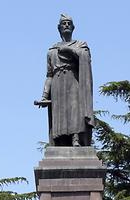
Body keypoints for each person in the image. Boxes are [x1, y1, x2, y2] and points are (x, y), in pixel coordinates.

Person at [35, 14, 94, 147]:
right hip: (57, 84)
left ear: (73, 27)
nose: (66, 25)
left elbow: (85, 57)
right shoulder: (52, 51)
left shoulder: (80, 45)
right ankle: (61, 141)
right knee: (59, 115)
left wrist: (69, 49)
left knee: (74, 110)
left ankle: (76, 138)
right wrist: (45, 95)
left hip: (73, 82)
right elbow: (49, 75)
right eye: (63, 23)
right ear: (59, 28)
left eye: (68, 23)